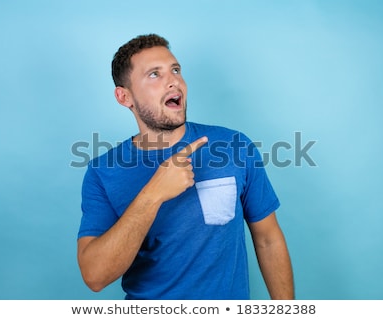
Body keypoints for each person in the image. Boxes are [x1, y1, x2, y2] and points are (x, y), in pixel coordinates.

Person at [77, 34, 294, 300]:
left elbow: (268, 239)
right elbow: (95, 276)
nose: (173, 81)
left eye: (176, 70)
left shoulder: (234, 146)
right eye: (154, 74)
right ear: (125, 97)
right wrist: (153, 193)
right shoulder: (103, 172)